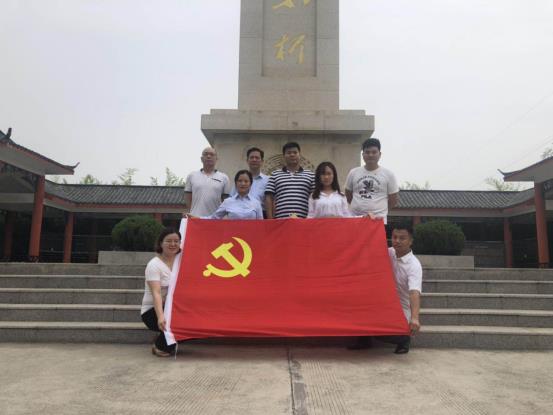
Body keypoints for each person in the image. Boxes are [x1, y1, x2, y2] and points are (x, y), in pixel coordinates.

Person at [348, 223, 422, 354]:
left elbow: (414, 292)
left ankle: (404, 339)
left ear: (411, 241)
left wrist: (415, 318)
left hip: (401, 306)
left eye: (402, 238)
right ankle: (364, 340)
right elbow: (367, 247)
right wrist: (366, 224)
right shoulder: (388, 252)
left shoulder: (414, 265)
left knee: (383, 331)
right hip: (382, 301)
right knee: (359, 308)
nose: (397, 241)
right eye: (394, 237)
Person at [140, 227, 181, 357]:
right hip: (153, 311)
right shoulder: (154, 265)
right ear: (161, 243)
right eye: (168, 241)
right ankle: (160, 345)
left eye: (176, 241)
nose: (173, 244)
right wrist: (161, 317)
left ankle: (164, 338)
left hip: (173, 308)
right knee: (179, 323)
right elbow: (156, 293)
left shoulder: (180, 261)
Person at [345, 138, 399, 223]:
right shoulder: (353, 172)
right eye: (367, 152)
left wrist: (380, 212)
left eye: (374, 152)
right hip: (355, 219)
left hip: (378, 221)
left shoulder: (389, 174)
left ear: (379, 154)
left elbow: (393, 200)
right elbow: (348, 195)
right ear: (363, 154)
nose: (370, 155)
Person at [265, 142, 314, 219]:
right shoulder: (275, 174)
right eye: (289, 153)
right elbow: (269, 197)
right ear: (284, 156)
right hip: (280, 220)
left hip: (304, 221)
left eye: (295, 152)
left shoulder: (310, 175)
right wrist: (270, 220)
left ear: (299, 155)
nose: (292, 155)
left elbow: (315, 198)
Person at [193, 170, 263, 220]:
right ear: (236, 183)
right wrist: (197, 218)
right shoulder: (228, 202)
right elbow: (214, 218)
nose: (243, 184)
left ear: (250, 184)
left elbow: (261, 225)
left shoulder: (256, 203)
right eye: (240, 181)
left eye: (246, 181)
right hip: (232, 235)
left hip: (251, 236)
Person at [184, 147, 231, 217]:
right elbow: (188, 197)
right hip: (195, 218)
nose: (208, 156)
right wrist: (191, 211)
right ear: (201, 159)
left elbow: (225, 201)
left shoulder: (224, 178)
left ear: (216, 159)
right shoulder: (192, 176)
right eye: (206, 154)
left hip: (214, 219)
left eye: (212, 154)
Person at [230, 147, 269, 217]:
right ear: (247, 160)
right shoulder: (240, 179)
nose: (254, 160)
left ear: (262, 161)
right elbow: (232, 198)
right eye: (251, 157)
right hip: (239, 215)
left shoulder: (268, 180)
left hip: (261, 215)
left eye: (257, 158)